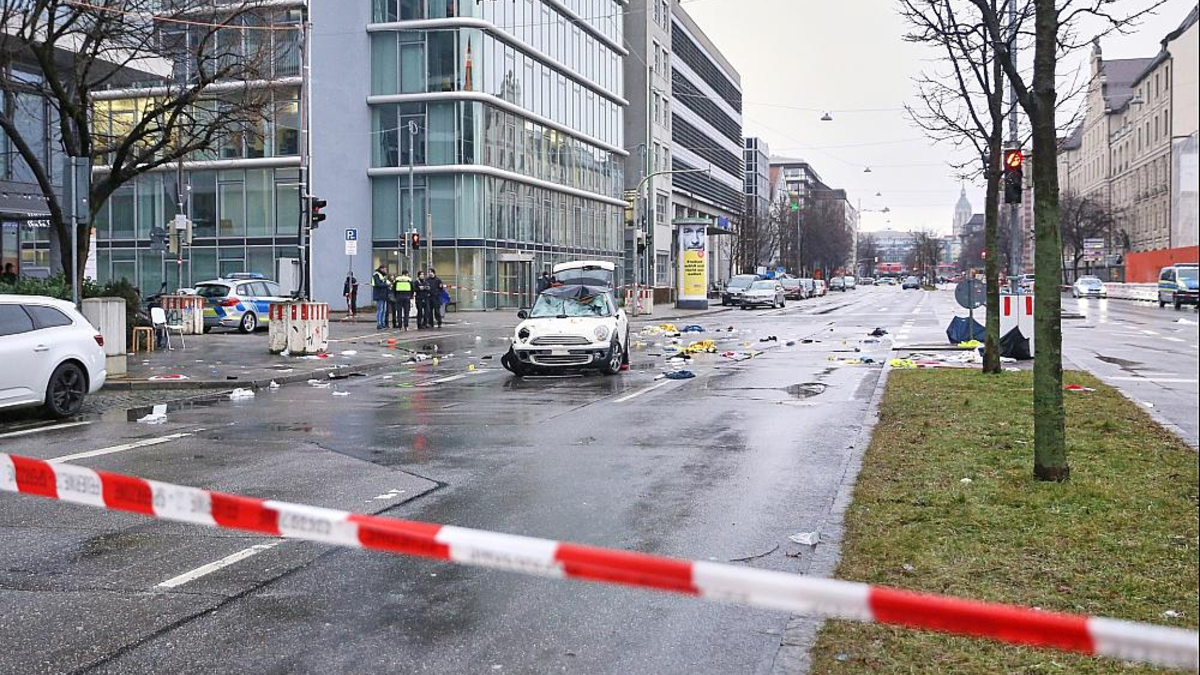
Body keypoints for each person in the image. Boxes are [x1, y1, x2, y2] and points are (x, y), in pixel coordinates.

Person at [371, 265, 390, 330]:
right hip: (379, 295)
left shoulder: (383, 276)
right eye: (385, 269)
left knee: (384, 310)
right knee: (380, 310)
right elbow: (378, 284)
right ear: (381, 269)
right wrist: (387, 285)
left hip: (384, 295)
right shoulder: (376, 275)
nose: (385, 270)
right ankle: (379, 324)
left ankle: (382, 323)